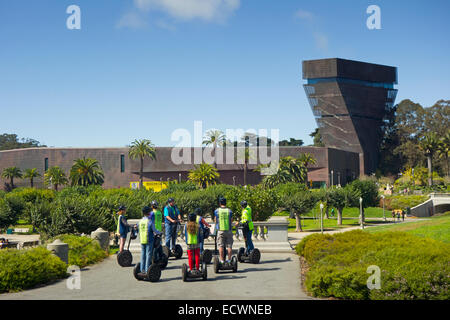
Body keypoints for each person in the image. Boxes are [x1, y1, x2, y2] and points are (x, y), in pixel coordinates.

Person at [138, 206, 162, 274]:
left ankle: (141, 269)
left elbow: (138, 228)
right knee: (148, 255)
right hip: (149, 240)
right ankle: (147, 270)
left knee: (143, 254)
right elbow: (155, 230)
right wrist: (160, 232)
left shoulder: (140, 221)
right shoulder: (149, 221)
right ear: (148, 213)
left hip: (142, 239)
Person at [214, 197, 236, 264]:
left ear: (220, 203)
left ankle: (222, 260)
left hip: (221, 230)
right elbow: (231, 220)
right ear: (226, 203)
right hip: (228, 230)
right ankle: (229, 260)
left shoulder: (217, 211)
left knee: (220, 245)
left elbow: (215, 220)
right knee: (229, 246)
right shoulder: (229, 211)